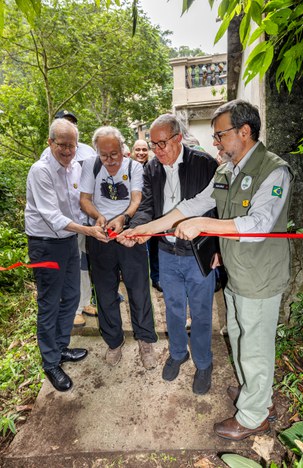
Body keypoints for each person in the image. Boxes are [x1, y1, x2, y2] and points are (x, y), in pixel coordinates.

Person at [124, 100, 294, 440]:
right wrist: (146, 228)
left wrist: (202, 226)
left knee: (256, 346)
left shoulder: (274, 170)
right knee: (241, 337)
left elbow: (259, 224)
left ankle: (253, 416)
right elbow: (194, 205)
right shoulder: (228, 169)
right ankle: (253, 394)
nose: (215, 142)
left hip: (260, 277)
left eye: (220, 135)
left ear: (244, 132)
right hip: (236, 273)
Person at [119, 114, 218, 395]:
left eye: (162, 144)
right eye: (153, 145)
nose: (157, 150)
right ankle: (177, 353)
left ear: (178, 138)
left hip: (198, 253)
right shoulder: (151, 168)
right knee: (172, 309)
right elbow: (147, 206)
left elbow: (217, 209)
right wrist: (137, 231)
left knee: (200, 312)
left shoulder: (205, 163)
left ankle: (203, 361)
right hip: (167, 251)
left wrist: (218, 250)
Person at [25, 118, 107, 392]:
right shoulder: (41, 170)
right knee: (49, 303)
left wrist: (97, 219)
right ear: (50, 143)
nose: (68, 151)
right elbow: (52, 215)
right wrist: (87, 229)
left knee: (71, 297)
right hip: (45, 244)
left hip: (69, 240)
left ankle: (60, 348)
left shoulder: (73, 167)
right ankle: (50, 363)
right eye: (62, 145)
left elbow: (78, 205)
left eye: (72, 145)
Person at [79, 126, 158, 370]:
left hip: (128, 234)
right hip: (100, 237)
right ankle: (114, 341)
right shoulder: (91, 166)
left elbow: (136, 199)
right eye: (105, 155)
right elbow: (85, 199)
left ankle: (145, 340)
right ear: (97, 152)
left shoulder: (134, 166)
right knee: (104, 291)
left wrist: (123, 218)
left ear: (123, 149)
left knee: (139, 289)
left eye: (115, 154)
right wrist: (99, 217)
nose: (110, 160)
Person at [40, 109, 97, 328]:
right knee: (64, 269)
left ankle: (85, 302)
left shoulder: (86, 151)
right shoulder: (46, 158)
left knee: (82, 264)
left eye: (71, 123)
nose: (67, 149)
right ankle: (72, 310)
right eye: (62, 122)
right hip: (58, 227)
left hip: (81, 220)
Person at [132, 139, 162, 293]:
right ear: (132, 151)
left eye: (144, 149)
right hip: (136, 216)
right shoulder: (128, 168)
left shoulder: (155, 167)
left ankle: (156, 278)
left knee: (155, 249)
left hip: (154, 215)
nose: (141, 153)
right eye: (138, 149)